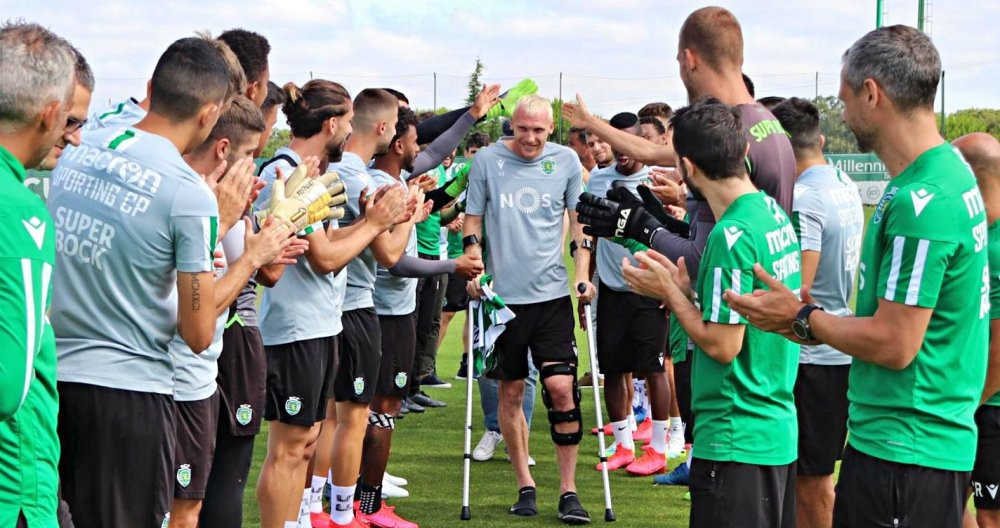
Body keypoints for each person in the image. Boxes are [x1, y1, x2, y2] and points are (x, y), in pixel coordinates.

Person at [725, 26, 988, 528]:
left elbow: (895, 343)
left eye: (845, 99)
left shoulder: (925, 199)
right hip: (910, 444)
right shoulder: (941, 174)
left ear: (873, 93)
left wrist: (801, 317)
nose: (843, 114)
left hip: (905, 452)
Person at [565, 6, 796, 486]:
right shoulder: (760, 130)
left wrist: (643, 234)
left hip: (738, 410)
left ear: (689, 59)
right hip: (767, 397)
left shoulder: (736, 214)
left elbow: (715, 276)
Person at [50, 37, 232, 528]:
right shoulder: (188, 193)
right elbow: (197, 334)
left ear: (151, 87)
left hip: (51, 380)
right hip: (129, 395)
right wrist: (248, 260)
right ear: (210, 113)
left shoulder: (77, 147)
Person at [622, 98, 801, 528]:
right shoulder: (771, 213)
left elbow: (723, 345)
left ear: (687, 167)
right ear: (742, 153)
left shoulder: (731, 234)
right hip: (774, 431)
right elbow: (745, 313)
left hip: (736, 436)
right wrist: (689, 289)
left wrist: (669, 290)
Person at [253, 80, 405, 528]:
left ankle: (300, 520)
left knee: (306, 441)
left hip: (320, 325)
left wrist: (372, 223)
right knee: (287, 449)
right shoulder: (285, 173)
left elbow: (329, 243)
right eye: (344, 122)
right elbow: (324, 260)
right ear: (331, 123)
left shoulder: (313, 173)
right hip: (295, 327)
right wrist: (377, 222)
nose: (349, 133)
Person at [464, 95, 595, 524]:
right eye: (523, 129)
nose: (531, 138)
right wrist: (473, 261)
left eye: (540, 131)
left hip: (552, 297)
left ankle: (569, 491)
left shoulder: (567, 162)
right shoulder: (486, 161)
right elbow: (473, 221)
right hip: (503, 301)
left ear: (551, 129)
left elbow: (580, 225)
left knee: (561, 388)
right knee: (511, 391)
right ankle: (525, 485)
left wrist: (582, 273)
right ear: (512, 126)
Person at [170, 96, 298, 528]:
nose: (253, 170)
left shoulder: (220, 202)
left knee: (201, 495)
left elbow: (267, 273)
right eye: (249, 157)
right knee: (183, 509)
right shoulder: (191, 199)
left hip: (199, 373)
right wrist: (251, 253)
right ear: (224, 149)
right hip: (180, 375)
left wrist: (268, 238)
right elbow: (198, 320)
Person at [356, 106, 483, 528]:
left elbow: (433, 154)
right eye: (412, 140)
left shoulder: (393, 179)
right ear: (396, 143)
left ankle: (363, 498)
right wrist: (453, 266)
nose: (420, 149)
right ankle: (364, 505)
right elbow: (394, 263)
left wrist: (472, 116)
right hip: (383, 312)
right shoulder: (382, 187)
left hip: (394, 311)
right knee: (379, 408)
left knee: (379, 408)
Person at [768, 96, 864, 528]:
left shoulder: (804, 196)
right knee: (815, 475)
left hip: (812, 353)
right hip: (836, 346)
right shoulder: (841, 181)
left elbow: (799, 289)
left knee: (811, 481)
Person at [326, 88, 419, 528]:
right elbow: (388, 255)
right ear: (384, 129)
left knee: (331, 420)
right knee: (356, 417)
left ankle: (323, 509)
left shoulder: (340, 171)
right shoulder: (361, 180)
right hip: (357, 307)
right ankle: (360, 509)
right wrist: (409, 219)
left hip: (338, 309)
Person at [0, 21, 76, 528]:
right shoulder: (18, 212)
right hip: (14, 489)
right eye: (70, 118)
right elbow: (9, 385)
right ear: (49, 114)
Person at [579, 112, 672, 477]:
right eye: (615, 144)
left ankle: (660, 449)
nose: (621, 153)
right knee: (613, 368)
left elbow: (675, 232)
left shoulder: (658, 179)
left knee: (653, 367)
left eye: (627, 144)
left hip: (650, 288)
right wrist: (585, 277)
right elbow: (588, 233)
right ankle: (622, 444)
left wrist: (670, 284)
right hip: (612, 290)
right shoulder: (599, 179)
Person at [953, 132, 1000, 528]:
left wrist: (967, 408)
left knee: (988, 515)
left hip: (990, 407)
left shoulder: (996, 247)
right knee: (947, 501)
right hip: (978, 401)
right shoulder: (979, 231)